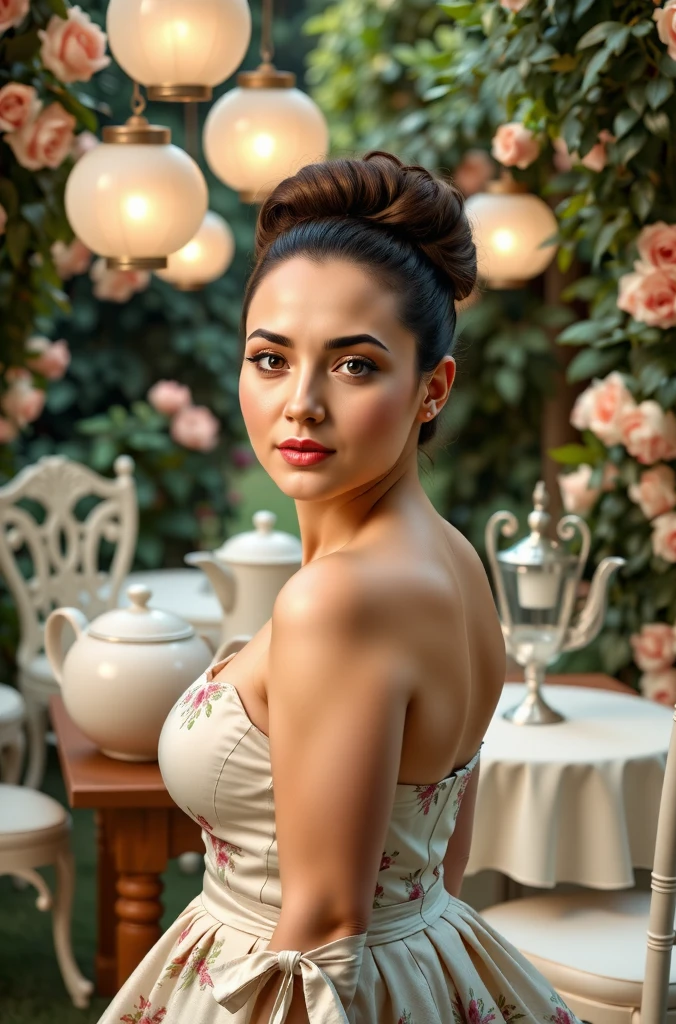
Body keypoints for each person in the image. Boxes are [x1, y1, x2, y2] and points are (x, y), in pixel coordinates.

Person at [97, 151, 582, 1024]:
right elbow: (440, 855)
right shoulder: (454, 560)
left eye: (355, 365)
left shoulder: (340, 600)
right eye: (271, 358)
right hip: (423, 952)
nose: (301, 405)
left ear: (432, 388)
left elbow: (323, 924)